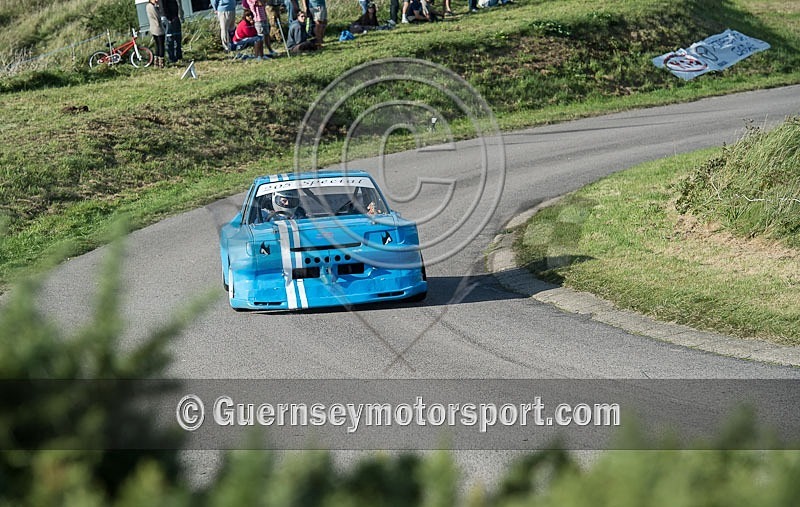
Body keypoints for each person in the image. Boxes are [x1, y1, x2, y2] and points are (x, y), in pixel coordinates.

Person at [146, 0, 166, 68]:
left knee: (157, 45)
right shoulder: (151, 7)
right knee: (161, 46)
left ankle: (156, 62)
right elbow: (157, 16)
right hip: (157, 28)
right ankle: (161, 63)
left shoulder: (149, 6)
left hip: (153, 28)